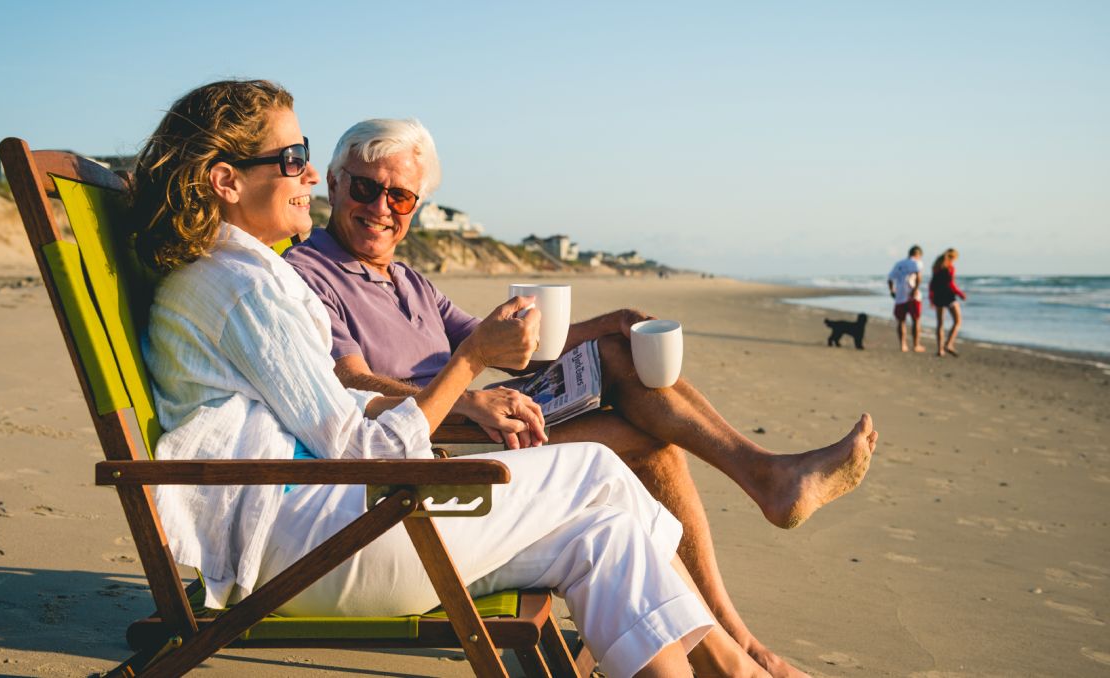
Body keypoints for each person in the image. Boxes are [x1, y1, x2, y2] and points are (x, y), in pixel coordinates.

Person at [130, 79, 778, 678]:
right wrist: (468, 370)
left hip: (328, 523)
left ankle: (731, 667)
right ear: (225, 180)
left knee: (602, 533)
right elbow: (359, 449)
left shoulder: (245, 276)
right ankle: (738, 664)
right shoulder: (247, 289)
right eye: (293, 156)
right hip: (311, 546)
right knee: (596, 473)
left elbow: (342, 427)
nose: (304, 174)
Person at [285, 118, 880, 676]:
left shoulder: (408, 280)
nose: (381, 208)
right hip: (438, 453)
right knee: (648, 447)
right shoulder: (312, 274)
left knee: (620, 356)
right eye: (366, 187)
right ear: (334, 183)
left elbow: (510, 349)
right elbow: (349, 384)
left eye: (402, 198)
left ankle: (761, 510)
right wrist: (464, 398)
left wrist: (604, 324)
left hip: (482, 425)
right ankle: (738, 643)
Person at [887, 245, 925, 353]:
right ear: (918, 254)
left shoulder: (899, 264)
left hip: (900, 296)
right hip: (913, 296)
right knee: (916, 320)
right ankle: (916, 345)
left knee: (901, 321)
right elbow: (919, 276)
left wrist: (892, 291)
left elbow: (890, 279)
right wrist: (915, 289)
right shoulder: (916, 263)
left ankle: (903, 345)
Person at [929, 248, 966, 357]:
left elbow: (932, 283)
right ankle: (949, 344)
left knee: (940, 323)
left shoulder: (936, 267)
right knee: (957, 321)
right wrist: (960, 293)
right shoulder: (950, 268)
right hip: (949, 296)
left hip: (938, 296)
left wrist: (931, 298)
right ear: (953, 257)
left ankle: (940, 350)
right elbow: (951, 284)